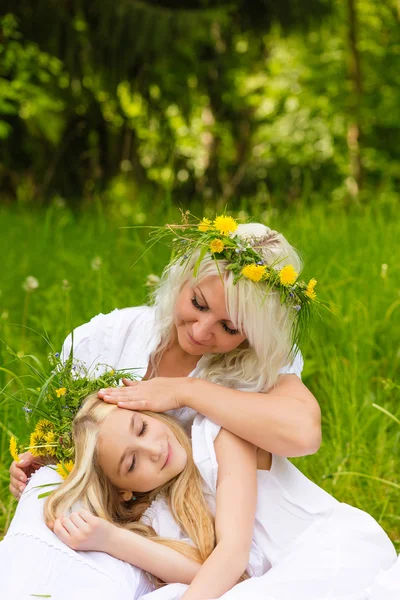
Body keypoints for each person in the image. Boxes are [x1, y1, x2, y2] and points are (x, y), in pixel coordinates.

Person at [10, 217, 322, 500]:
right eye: (198, 304)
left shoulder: (260, 362)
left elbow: (304, 435)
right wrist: (44, 460)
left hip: (209, 515)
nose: (201, 331)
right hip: (117, 509)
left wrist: (185, 391)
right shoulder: (108, 337)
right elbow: (75, 441)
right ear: (183, 279)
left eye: (229, 327)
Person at [1, 393, 397, 599]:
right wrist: (113, 540)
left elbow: (234, 554)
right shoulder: (158, 513)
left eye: (142, 429)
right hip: (261, 581)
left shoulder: (220, 437)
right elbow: (221, 578)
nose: (154, 450)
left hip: (326, 552)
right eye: (131, 463)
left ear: (150, 413)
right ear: (123, 489)